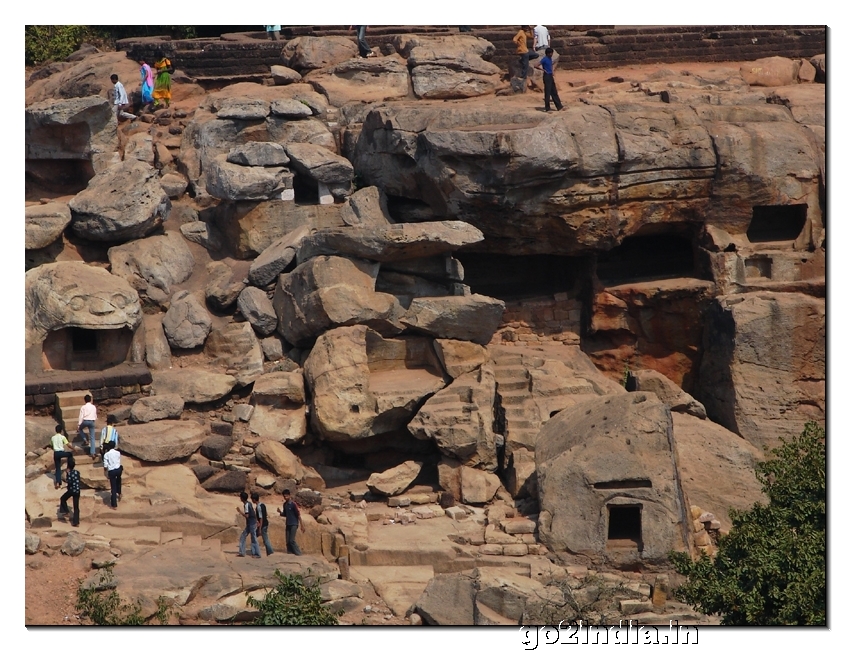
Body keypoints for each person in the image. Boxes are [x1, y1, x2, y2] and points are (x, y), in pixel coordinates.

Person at [277, 489, 303, 555]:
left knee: (292, 540)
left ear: (289, 495)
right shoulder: (285, 505)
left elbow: (298, 515)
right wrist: (280, 512)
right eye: (284, 496)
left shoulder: (293, 504)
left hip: (294, 524)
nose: (285, 498)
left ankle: (298, 553)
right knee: (288, 541)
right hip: (288, 524)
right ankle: (290, 553)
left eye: (286, 496)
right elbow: (285, 514)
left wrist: (302, 525)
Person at [237, 492, 261, 558]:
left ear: (242, 498)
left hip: (251, 524)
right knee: (243, 536)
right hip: (251, 523)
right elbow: (253, 513)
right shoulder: (249, 503)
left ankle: (257, 554)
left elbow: (247, 516)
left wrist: (240, 512)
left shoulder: (246, 505)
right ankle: (242, 552)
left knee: (253, 538)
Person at [58, 456, 81, 527]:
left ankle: (66, 511)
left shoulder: (69, 473)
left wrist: (67, 474)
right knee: (76, 507)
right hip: (77, 490)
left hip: (71, 490)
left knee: (63, 498)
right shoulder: (77, 472)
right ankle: (76, 522)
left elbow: (69, 481)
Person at [51, 425, 73, 489]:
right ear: (61, 431)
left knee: (58, 468)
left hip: (56, 453)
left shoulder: (53, 438)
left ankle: (58, 483)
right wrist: (74, 449)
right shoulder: (62, 437)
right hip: (61, 452)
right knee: (70, 454)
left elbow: (51, 445)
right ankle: (69, 467)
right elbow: (68, 445)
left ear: (55, 430)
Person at [541, 48, 563, 112]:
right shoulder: (544, 59)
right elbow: (536, 65)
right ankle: (547, 108)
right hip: (547, 76)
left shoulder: (550, 59)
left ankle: (559, 106)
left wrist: (552, 71)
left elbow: (550, 65)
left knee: (554, 91)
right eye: (551, 53)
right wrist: (543, 70)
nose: (552, 54)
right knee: (547, 92)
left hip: (550, 76)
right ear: (549, 53)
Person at [102, 441, 123, 509]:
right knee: (119, 480)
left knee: (113, 487)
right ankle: (119, 493)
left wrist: (105, 472)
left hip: (112, 471)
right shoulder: (118, 452)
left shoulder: (106, 454)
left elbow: (105, 466)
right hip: (118, 469)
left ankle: (114, 505)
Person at [77, 394, 97, 459]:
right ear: (90, 400)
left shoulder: (83, 407)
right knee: (92, 438)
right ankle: (93, 452)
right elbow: (95, 415)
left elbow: (81, 416)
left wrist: (79, 425)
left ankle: (85, 440)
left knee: (80, 429)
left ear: (85, 400)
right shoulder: (93, 407)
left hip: (85, 421)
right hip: (92, 421)